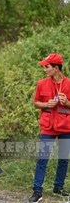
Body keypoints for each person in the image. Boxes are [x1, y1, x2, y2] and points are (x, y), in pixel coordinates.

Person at [28, 53, 70, 203]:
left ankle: (58, 187)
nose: (44, 69)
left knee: (64, 159)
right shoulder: (42, 84)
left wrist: (67, 103)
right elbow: (36, 103)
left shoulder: (69, 84)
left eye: (47, 67)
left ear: (56, 68)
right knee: (42, 159)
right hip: (47, 127)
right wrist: (46, 105)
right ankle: (37, 191)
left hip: (65, 127)